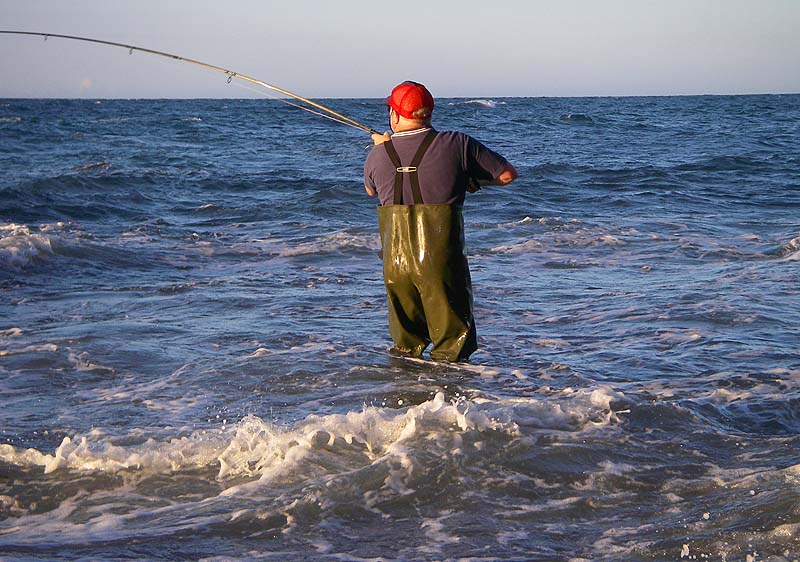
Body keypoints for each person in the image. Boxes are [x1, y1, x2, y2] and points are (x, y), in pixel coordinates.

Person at [363, 81, 518, 362]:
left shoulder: (376, 154)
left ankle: (406, 401)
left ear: (394, 115)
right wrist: (469, 181)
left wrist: (383, 148)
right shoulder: (457, 143)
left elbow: (371, 190)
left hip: (395, 266)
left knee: (405, 351)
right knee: (452, 349)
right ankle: (451, 400)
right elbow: (507, 175)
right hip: (440, 262)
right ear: (428, 114)